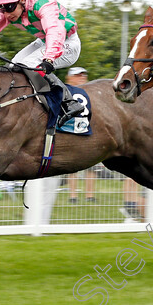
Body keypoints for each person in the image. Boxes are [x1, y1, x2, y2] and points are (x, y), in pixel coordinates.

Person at [0, 0, 84, 124]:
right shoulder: (10, 8)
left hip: (67, 42)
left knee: (28, 63)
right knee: (13, 65)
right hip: (44, 41)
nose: (6, 14)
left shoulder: (42, 2)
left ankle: (69, 102)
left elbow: (55, 30)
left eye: (9, 7)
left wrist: (49, 59)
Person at [65, 66, 89, 203]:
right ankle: (73, 196)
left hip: (88, 134)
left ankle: (89, 196)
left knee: (92, 170)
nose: (81, 78)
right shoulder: (64, 91)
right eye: (77, 75)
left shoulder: (89, 93)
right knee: (72, 168)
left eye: (83, 75)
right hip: (71, 133)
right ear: (70, 78)